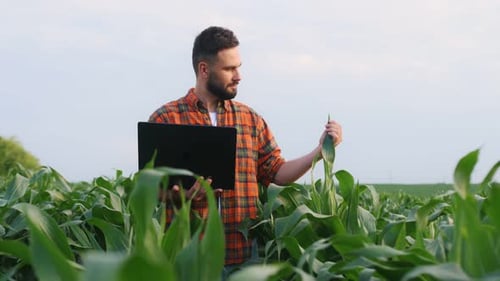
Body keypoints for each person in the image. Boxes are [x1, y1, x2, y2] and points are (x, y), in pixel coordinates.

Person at [148, 26, 343, 267]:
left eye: (238, 67)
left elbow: (278, 172)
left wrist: (321, 151)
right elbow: (151, 190)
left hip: (242, 258)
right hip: (189, 260)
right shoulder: (166, 119)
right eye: (230, 69)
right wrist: (181, 197)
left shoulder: (250, 119)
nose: (238, 75)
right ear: (204, 69)